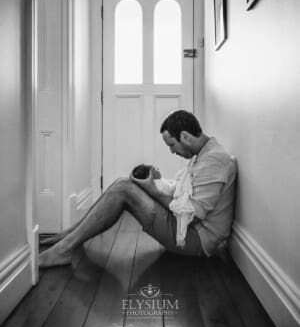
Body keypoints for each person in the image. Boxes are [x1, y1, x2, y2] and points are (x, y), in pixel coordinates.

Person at [39, 110, 237, 267]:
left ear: (185, 136)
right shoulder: (202, 155)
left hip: (195, 239)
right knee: (121, 183)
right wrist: (157, 181)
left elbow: (193, 216)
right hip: (186, 228)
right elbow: (183, 190)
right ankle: (71, 235)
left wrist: (153, 190)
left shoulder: (214, 160)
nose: (172, 151)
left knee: (123, 189)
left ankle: (64, 249)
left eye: (172, 144)